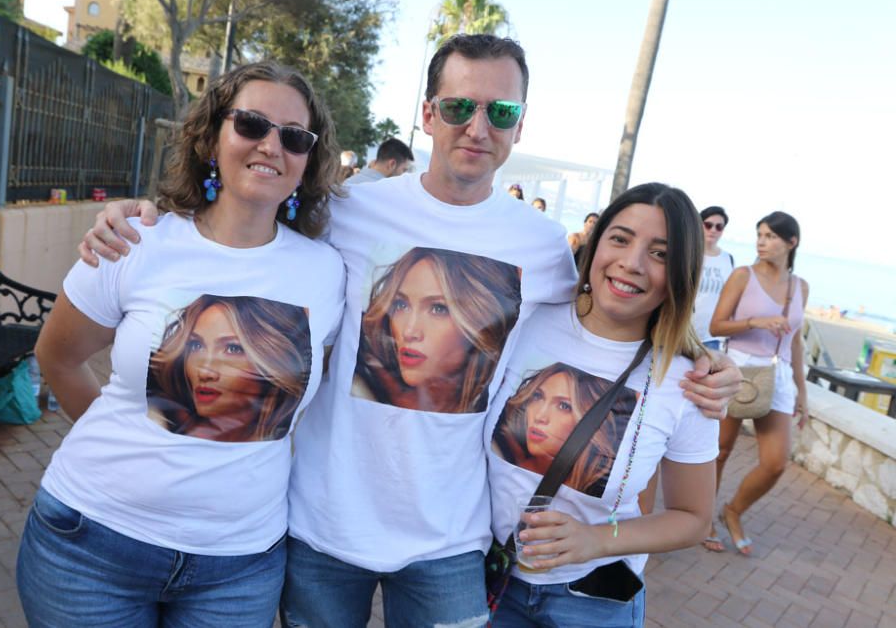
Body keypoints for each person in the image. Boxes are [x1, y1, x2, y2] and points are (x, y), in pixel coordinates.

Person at [79, 35, 740, 628]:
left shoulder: (541, 246)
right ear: (427, 115)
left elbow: (616, 311)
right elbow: (240, 229)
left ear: (517, 127)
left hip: (450, 540)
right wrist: (145, 215)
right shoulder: (344, 210)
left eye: (500, 112)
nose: (477, 127)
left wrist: (705, 363)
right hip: (320, 523)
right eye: (458, 107)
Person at [16, 62, 346, 627]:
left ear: (307, 162)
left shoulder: (328, 271)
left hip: (238, 568)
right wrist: (142, 457)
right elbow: (59, 358)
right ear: (213, 136)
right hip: (91, 545)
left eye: (294, 136)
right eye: (251, 124)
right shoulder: (137, 240)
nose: (271, 145)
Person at [488, 183, 718, 627]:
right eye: (620, 238)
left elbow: (693, 518)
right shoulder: (526, 320)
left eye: (660, 254)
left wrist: (596, 540)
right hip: (491, 581)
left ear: (680, 275)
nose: (631, 263)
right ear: (595, 244)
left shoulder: (688, 381)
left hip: (589, 601)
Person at [709, 211, 809, 557]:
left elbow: (795, 342)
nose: (761, 242)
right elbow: (716, 326)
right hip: (738, 364)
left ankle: (733, 511)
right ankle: (704, 517)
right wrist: (755, 321)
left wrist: (802, 394)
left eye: (770, 237)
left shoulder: (800, 287)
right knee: (719, 451)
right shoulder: (743, 276)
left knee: (775, 462)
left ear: (791, 243)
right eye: (760, 235)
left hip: (777, 373)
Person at [352, 247, 522, 414]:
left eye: (438, 309)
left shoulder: (502, 419)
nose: (409, 332)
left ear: (483, 322)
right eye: (401, 305)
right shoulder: (357, 386)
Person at [147, 294, 311, 443]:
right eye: (196, 345)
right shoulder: (153, 419)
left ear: (274, 359)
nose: (204, 372)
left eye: (233, 349)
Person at [492, 363, 632, 496]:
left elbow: (642, 509)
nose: (540, 416)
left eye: (564, 406)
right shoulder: (501, 444)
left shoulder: (606, 483)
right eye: (537, 396)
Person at [693, 206, 735, 353]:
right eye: (708, 225)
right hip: (682, 333)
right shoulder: (688, 254)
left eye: (719, 227)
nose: (713, 230)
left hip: (711, 338)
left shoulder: (727, 259)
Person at [344, 137, 415, 184]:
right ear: (392, 164)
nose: (405, 175)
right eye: (404, 170)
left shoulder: (346, 183)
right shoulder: (387, 195)